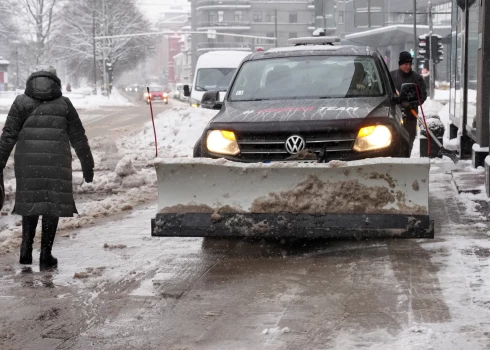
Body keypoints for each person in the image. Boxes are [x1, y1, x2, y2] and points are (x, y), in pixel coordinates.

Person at [0, 65, 94, 270]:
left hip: (28, 162)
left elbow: (8, 136)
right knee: (52, 205)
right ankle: (45, 254)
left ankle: (25, 251)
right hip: (56, 161)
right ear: (55, 81)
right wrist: (88, 165)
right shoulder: (64, 104)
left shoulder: (20, 102)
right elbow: (79, 137)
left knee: (31, 202)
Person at [390, 51, 427, 151]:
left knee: (409, 139)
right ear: (400, 64)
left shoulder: (417, 78)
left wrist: (412, 104)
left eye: (410, 64)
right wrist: (395, 100)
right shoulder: (391, 77)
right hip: (395, 115)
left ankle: (407, 157)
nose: (408, 67)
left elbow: (423, 95)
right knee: (395, 140)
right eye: (405, 64)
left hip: (411, 115)